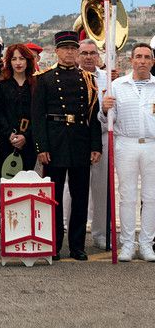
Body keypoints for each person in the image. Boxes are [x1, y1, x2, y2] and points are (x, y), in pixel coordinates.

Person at [31, 30, 102, 261]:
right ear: (57, 51)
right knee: (54, 196)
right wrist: (41, 147)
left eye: (73, 48)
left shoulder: (88, 79)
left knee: (80, 196)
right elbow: (37, 116)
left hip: (80, 139)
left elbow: (92, 115)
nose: (70, 52)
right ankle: (54, 244)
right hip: (55, 140)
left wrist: (96, 146)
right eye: (65, 48)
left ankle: (77, 246)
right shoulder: (44, 78)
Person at [101, 43, 155, 261]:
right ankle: (127, 244)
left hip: (152, 144)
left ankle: (147, 244)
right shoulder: (116, 86)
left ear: (153, 61)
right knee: (127, 196)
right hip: (126, 143)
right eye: (138, 56)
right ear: (131, 60)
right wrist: (104, 108)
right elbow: (106, 120)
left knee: (151, 197)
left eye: (147, 57)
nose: (142, 61)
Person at [77, 38, 116, 249]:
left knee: (102, 189)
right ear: (78, 55)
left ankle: (101, 233)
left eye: (92, 53)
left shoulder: (108, 80)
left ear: (98, 55)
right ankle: (74, 233)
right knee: (74, 189)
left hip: (101, 136)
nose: (89, 57)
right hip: (76, 137)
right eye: (84, 53)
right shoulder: (70, 77)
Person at [0, 44, 37, 172]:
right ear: (9, 62)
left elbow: (38, 114)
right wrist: (9, 133)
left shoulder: (36, 84)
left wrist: (25, 136)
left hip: (29, 143)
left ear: (28, 61)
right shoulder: (1, 84)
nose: (18, 63)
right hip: (6, 142)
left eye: (22, 58)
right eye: (14, 59)